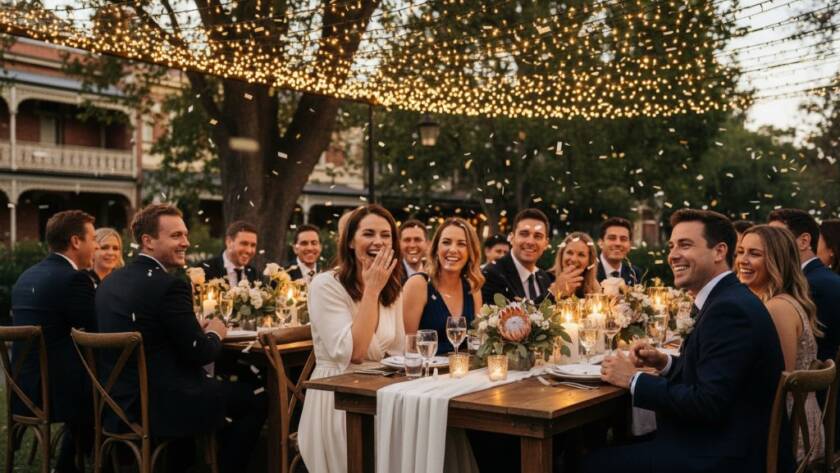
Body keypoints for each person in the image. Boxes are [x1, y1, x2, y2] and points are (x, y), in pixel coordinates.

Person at [589, 209, 788, 472]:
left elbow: (707, 403)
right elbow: (714, 373)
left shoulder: (729, 310)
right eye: (671, 246)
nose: (672, 255)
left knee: (587, 463)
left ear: (719, 252)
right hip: (721, 441)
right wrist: (665, 363)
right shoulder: (727, 297)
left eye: (685, 245)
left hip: (724, 456)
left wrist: (633, 379)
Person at [96, 204, 266, 473]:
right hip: (163, 405)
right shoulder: (169, 285)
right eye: (176, 236)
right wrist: (214, 332)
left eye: (185, 235)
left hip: (117, 400)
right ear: (148, 241)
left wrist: (189, 325)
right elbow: (201, 353)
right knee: (256, 397)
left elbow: (149, 328)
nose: (186, 242)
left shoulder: (111, 282)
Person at [299, 204, 406, 473]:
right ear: (350, 242)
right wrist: (371, 290)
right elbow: (355, 352)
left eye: (386, 235)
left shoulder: (392, 287)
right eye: (368, 234)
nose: (378, 242)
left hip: (381, 392)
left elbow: (398, 351)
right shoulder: (326, 285)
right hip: (337, 397)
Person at [11, 210, 99, 473]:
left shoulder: (28, 275)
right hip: (57, 390)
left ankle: (70, 463)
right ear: (75, 241)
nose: (96, 245)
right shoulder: (74, 279)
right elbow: (97, 331)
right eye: (93, 239)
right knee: (120, 385)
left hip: (24, 386)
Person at [737, 224, 822, 460]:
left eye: (754, 254)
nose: (742, 260)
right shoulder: (772, 301)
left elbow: (776, 382)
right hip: (790, 419)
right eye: (741, 251)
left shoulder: (778, 308)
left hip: (788, 430)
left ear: (777, 261)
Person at [403, 218, 484, 354]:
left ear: (470, 251)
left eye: (461, 244)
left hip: (463, 371)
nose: (453, 249)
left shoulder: (472, 287)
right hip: (426, 372)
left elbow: (477, 342)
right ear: (436, 249)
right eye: (446, 242)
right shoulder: (418, 284)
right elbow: (409, 347)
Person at [769, 208, 840, 362]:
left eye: (777, 237)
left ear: (804, 241)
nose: (768, 245)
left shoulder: (811, 285)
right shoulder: (821, 278)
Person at [481, 208, 554, 304]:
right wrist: (552, 294)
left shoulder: (545, 278)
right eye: (524, 234)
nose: (530, 242)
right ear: (511, 238)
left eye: (537, 236)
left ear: (546, 244)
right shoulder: (492, 274)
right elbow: (508, 317)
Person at [200, 220, 259, 286]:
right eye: (244, 243)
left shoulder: (256, 275)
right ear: (229, 242)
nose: (249, 250)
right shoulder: (204, 271)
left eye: (253, 245)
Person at [549, 232, 602, 299]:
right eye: (569, 253)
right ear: (562, 255)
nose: (574, 259)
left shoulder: (593, 286)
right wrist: (555, 292)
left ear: (590, 261)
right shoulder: (546, 279)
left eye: (581, 255)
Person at [596, 217, 643, 285]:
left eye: (623, 239)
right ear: (600, 243)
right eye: (612, 238)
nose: (618, 243)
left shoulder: (634, 273)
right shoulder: (589, 272)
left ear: (630, 245)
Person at [399, 219, 428, 283]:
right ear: (399, 244)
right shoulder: (391, 276)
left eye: (417, 240)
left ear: (426, 243)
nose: (412, 245)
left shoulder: (434, 274)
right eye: (407, 240)